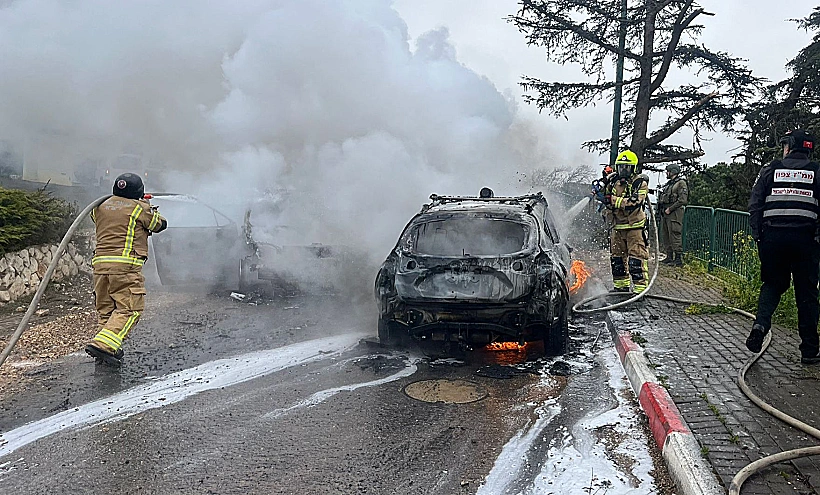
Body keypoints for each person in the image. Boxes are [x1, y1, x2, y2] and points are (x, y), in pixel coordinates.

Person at [747, 129, 820, 365]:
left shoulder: (771, 169)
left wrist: (759, 236)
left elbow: (755, 203)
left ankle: (760, 325)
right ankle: (809, 351)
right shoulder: (816, 171)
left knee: (772, 284)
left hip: (772, 238)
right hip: (805, 241)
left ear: (789, 146)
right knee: (806, 293)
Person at [85, 173, 167, 366]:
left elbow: (102, 216)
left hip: (100, 266)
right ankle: (104, 345)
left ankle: (107, 349)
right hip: (125, 267)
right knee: (130, 309)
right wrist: (146, 205)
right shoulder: (140, 209)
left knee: (106, 309)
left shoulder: (100, 207)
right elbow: (160, 225)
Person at [603, 150, 651, 293]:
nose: (623, 170)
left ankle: (639, 290)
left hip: (634, 227)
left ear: (633, 168)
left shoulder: (639, 183)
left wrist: (613, 200)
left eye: (627, 167)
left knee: (636, 260)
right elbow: (606, 198)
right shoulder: (613, 182)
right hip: (617, 226)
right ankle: (620, 288)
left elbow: (634, 202)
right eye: (621, 166)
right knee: (617, 260)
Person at [657, 163, 689, 266]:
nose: (666, 173)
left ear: (673, 171)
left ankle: (678, 259)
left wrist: (670, 209)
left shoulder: (681, 183)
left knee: (675, 234)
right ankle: (669, 256)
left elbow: (682, 200)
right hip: (666, 212)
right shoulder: (669, 184)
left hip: (674, 212)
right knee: (666, 234)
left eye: (668, 171)